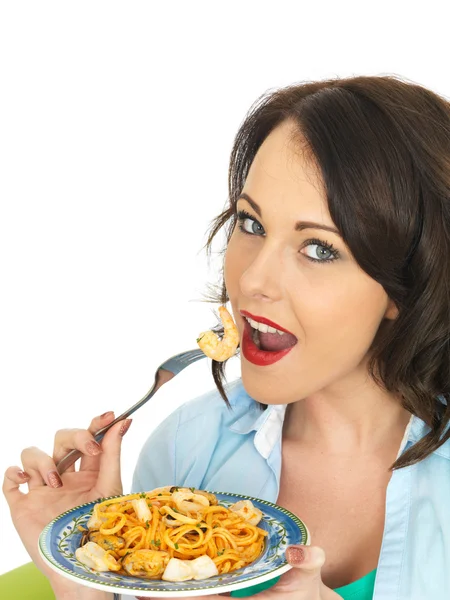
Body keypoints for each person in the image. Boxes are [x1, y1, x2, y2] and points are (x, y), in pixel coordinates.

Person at [3, 75, 450, 600]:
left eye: (319, 249)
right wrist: (86, 576)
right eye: (252, 224)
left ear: (408, 282)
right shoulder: (185, 451)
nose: (253, 280)